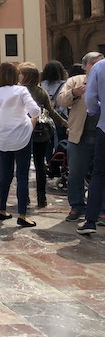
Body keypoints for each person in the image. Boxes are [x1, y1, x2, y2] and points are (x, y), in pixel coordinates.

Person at [0, 62, 41, 227]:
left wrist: (2, 122)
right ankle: (22, 214)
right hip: (22, 134)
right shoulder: (21, 90)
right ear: (16, 75)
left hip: (3, 137)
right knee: (22, 175)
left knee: (5, 174)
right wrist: (32, 120)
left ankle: (2, 210)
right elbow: (35, 111)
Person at [57, 52, 105, 221]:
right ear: (85, 66)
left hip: (101, 133)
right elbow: (61, 100)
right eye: (94, 63)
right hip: (79, 135)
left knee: (99, 173)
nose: (98, 65)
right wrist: (75, 93)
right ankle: (77, 206)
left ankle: (101, 209)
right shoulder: (74, 81)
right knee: (76, 173)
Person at [18, 62, 67, 208]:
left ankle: (24, 197)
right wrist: (64, 123)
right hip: (41, 133)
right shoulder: (41, 91)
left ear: (26, 76)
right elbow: (52, 112)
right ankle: (41, 198)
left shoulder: (19, 91)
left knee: (23, 166)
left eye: (21, 73)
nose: (18, 75)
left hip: (23, 132)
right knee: (40, 165)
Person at [77, 57, 105, 234]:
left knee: (99, 173)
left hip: (104, 127)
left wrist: (96, 111)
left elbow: (91, 97)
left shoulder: (100, 67)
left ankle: (90, 221)